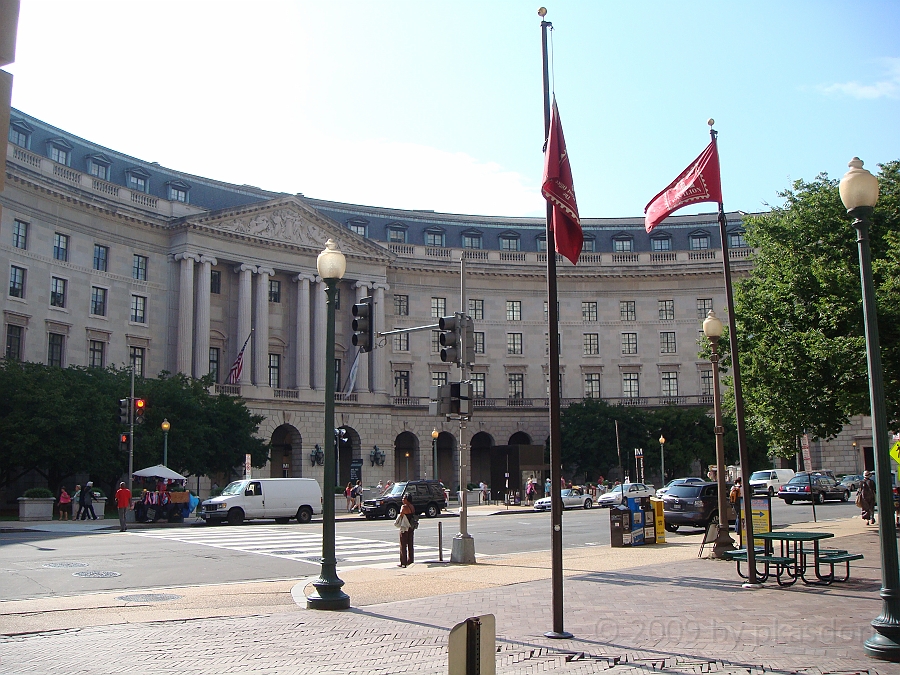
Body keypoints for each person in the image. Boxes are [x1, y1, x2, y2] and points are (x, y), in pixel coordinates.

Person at [398, 493, 415, 567]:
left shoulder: (404, 507)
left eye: (404, 498)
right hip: (411, 527)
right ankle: (411, 560)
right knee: (410, 544)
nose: (402, 499)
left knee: (403, 545)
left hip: (405, 527)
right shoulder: (412, 506)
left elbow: (401, 514)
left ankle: (403, 562)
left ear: (407, 500)